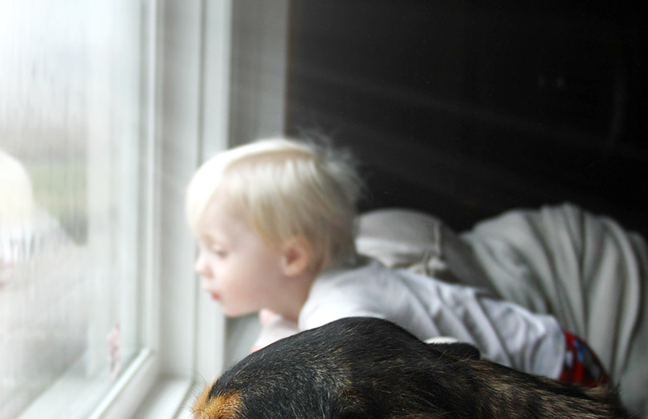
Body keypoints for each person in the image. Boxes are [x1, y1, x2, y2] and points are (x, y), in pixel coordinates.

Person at [187, 137, 609, 387]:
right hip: (561, 346)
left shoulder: (343, 310)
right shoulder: (321, 285)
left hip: (560, 373)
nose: (200, 266)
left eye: (218, 251)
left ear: (293, 257)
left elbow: (420, 377)